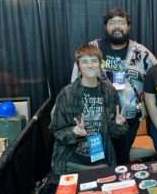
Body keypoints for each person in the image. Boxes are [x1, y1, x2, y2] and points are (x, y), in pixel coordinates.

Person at [71, 8, 157, 164]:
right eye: (112, 22)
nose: (117, 26)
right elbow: (75, 81)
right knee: (97, 161)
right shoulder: (92, 49)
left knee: (121, 159)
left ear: (128, 26)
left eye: (121, 22)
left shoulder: (141, 52)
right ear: (105, 26)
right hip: (95, 119)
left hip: (128, 118)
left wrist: (147, 103)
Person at [50, 44, 128, 178]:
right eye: (84, 62)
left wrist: (119, 125)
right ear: (78, 66)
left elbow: (116, 134)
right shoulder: (67, 94)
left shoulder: (109, 92)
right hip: (71, 162)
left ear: (100, 64)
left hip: (102, 160)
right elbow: (56, 131)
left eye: (93, 61)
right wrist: (74, 131)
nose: (90, 65)